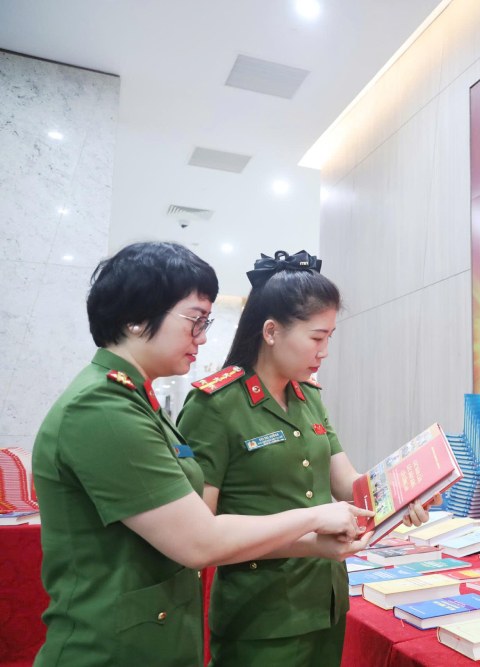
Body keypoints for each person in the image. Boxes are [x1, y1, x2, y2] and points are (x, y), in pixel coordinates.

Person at [31, 242, 372, 667]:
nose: (204, 337)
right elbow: (199, 538)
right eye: (194, 321)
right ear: (137, 319)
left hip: (160, 637)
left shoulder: (137, 401)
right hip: (113, 647)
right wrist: (316, 517)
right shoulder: (102, 408)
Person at [176, 250, 433, 667]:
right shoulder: (216, 406)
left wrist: (406, 490)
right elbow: (201, 533)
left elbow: (347, 483)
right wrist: (311, 540)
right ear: (272, 331)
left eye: (330, 337)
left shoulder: (308, 397)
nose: (325, 350)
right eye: (317, 337)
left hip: (326, 601)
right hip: (262, 614)